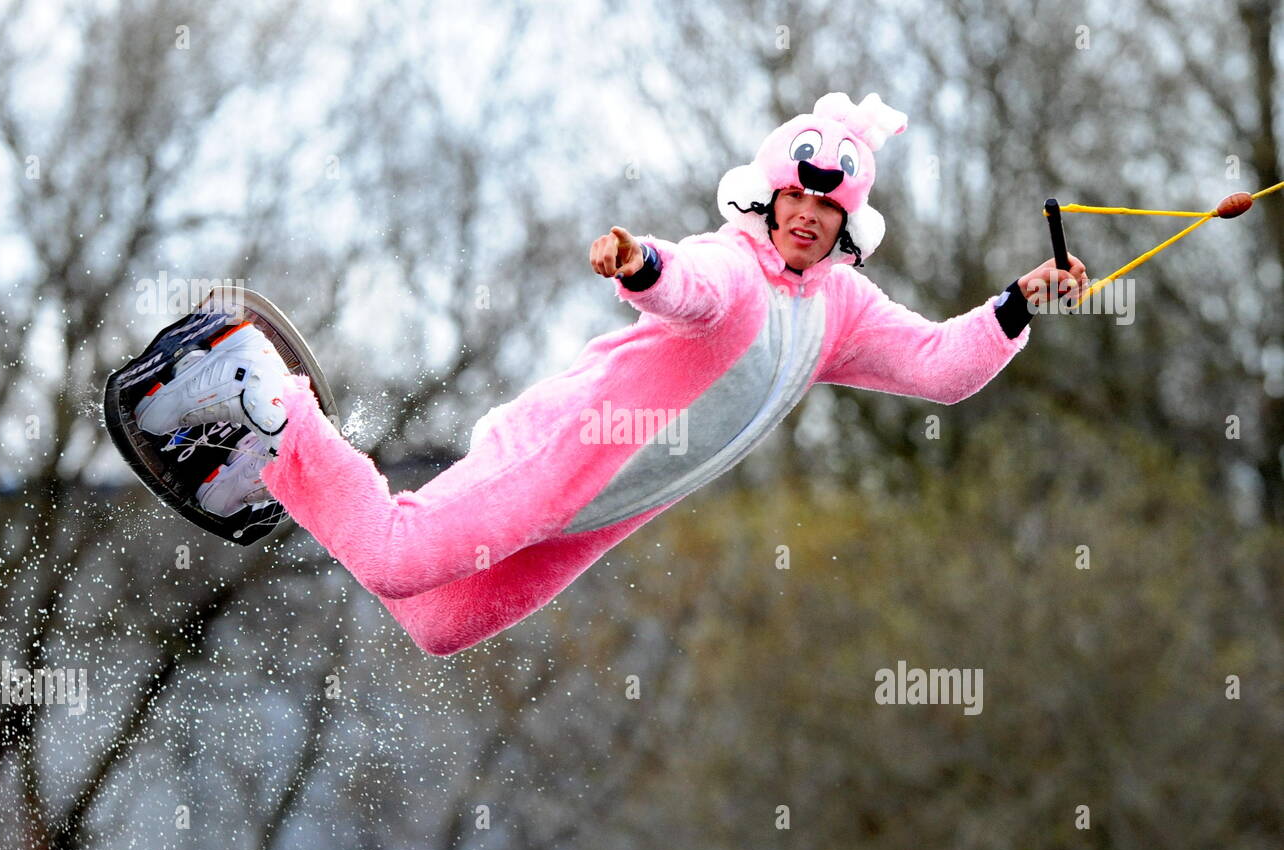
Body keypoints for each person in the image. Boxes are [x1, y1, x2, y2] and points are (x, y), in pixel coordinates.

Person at [133, 92, 1087, 656]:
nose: (806, 218)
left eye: (825, 211)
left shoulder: (838, 313)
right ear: (770, 196)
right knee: (391, 553)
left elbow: (939, 368)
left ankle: (290, 463)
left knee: (439, 625)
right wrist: (640, 266)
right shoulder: (734, 270)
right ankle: (263, 393)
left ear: (845, 227)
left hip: (601, 510)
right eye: (795, 198)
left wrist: (1018, 303)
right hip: (561, 451)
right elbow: (692, 288)